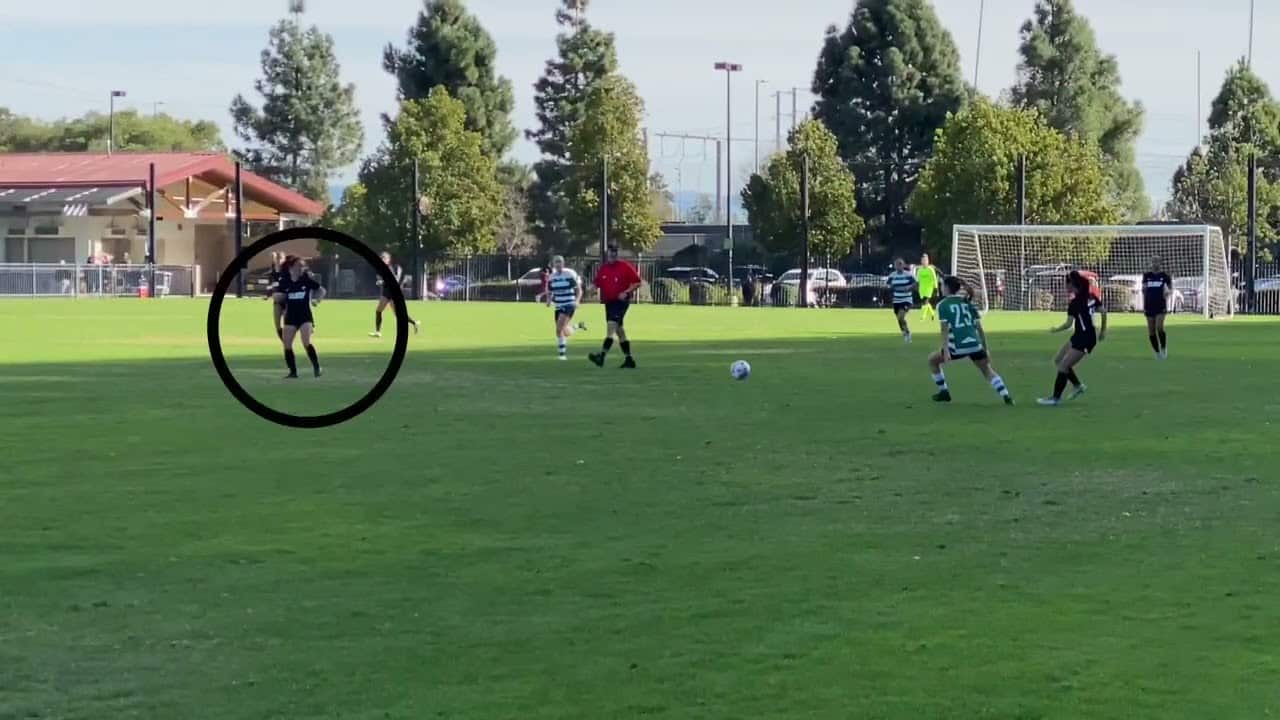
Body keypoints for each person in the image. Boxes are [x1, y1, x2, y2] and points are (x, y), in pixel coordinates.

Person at [928, 276, 1013, 405]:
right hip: (975, 344)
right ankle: (1006, 395)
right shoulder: (967, 303)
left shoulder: (942, 305)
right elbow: (979, 328)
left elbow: (944, 330)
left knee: (932, 361)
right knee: (987, 370)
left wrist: (946, 350)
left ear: (946, 288)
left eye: (942, 285)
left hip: (957, 346)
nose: (941, 288)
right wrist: (985, 349)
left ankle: (944, 392)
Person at [1038, 270, 1106, 406]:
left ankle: (1055, 399)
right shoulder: (1091, 296)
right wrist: (1103, 331)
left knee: (1063, 366)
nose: (1065, 287)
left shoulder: (1075, 303)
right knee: (1058, 360)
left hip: (1085, 338)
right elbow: (1103, 311)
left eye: (1066, 284)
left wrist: (1055, 329)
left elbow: (1068, 324)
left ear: (1072, 285)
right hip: (1079, 335)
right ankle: (1078, 386)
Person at [589, 244, 642, 369]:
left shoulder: (624, 267)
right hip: (609, 303)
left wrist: (626, 292)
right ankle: (629, 359)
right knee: (620, 332)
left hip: (620, 303)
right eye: (610, 254)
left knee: (610, 328)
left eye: (614, 253)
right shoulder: (604, 268)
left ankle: (601, 356)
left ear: (617, 254)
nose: (612, 256)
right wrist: (590, 289)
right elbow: (597, 283)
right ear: (607, 255)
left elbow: (637, 282)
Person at [273, 255, 326, 379]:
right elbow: (278, 294)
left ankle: (317, 367)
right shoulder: (285, 281)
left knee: (306, 342)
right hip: (290, 316)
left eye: (303, 266)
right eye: (299, 266)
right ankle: (293, 372)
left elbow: (322, 290)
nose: (302, 268)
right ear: (291, 268)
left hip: (305, 316)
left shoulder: (305, 280)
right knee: (287, 345)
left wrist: (317, 300)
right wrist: (278, 296)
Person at [542, 255, 587, 360]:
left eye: (560, 262)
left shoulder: (569, 274)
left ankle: (562, 355)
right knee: (564, 331)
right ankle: (578, 326)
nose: (558, 265)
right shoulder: (552, 277)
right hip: (558, 305)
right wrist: (548, 300)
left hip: (569, 304)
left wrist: (577, 301)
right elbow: (550, 291)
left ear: (563, 264)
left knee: (558, 329)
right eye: (556, 262)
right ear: (553, 264)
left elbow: (579, 290)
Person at [370, 251, 421, 338]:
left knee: (398, 315)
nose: (382, 260)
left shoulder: (389, 268)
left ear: (388, 260)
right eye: (381, 258)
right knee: (379, 311)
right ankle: (378, 332)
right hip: (386, 292)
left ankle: (414, 323)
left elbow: (394, 280)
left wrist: (381, 281)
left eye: (384, 258)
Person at [1142, 256, 1173, 359]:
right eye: (1153, 262)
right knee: (1151, 330)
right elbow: (1144, 289)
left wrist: (1167, 292)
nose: (1155, 264)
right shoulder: (1147, 275)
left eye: (1157, 262)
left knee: (1159, 327)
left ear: (1160, 263)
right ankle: (1157, 352)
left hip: (1161, 305)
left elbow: (1170, 289)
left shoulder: (1165, 276)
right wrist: (1144, 289)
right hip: (1149, 305)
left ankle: (1164, 347)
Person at [887, 258, 918, 343]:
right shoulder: (892, 275)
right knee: (899, 319)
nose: (898, 267)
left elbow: (916, 283)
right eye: (897, 265)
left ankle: (907, 333)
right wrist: (891, 287)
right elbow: (888, 285)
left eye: (900, 265)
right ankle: (905, 333)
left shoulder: (908, 275)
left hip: (906, 299)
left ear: (903, 265)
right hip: (896, 300)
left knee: (901, 316)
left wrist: (909, 287)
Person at [266, 251, 289, 339]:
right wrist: (268, 295)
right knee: (277, 325)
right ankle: (284, 341)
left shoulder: (287, 271)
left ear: (284, 260)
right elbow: (271, 285)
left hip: (287, 301)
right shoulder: (273, 272)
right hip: (277, 301)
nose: (279, 261)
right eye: (277, 259)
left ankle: (288, 341)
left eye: (280, 259)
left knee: (287, 323)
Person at [916, 253, 940, 322]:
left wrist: (936, 287)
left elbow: (934, 278)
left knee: (925, 302)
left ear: (928, 261)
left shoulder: (930, 269)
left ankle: (923, 316)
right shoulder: (920, 270)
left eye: (925, 260)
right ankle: (932, 313)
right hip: (922, 288)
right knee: (925, 302)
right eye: (923, 260)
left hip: (929, 288)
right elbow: (917, 279)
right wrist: (917, 286)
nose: (924, 262)